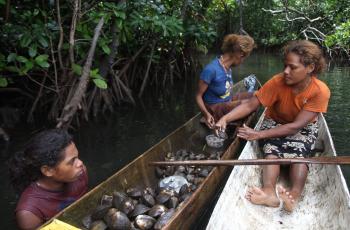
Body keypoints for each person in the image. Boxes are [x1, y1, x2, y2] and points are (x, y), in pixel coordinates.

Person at [215, 40, 329, 212]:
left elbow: (296, 126)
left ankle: (294, 196)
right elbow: (250, 105)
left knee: (299, 156)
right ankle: (269, 193)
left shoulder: (320, 91)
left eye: (292, 67)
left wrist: (258, 134)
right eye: (285, 66)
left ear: (310, 68)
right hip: (275, 121)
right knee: (271, 153)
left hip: (302, 127)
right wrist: (225, 118)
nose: (286, 71)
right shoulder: (277, 82)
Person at [8, 129, 88, 229]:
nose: (80, 163)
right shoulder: (29, 213)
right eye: (72, 162)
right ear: (48, 171)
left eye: (77, 157)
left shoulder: (80, 174)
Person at [196, 34, 255, 129]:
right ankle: (223, 119)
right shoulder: (211, 70)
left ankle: (232, 116)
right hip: (214, 108)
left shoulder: (228, 69)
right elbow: (198, 96)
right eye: (244, 58)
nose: (243, 61)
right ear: (240, 54)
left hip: (227, 101)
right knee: (249, 104)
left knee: (257, 95)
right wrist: (206, 114)